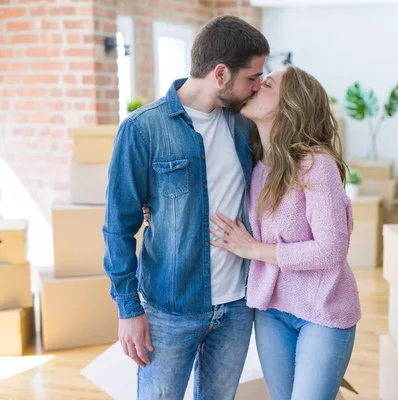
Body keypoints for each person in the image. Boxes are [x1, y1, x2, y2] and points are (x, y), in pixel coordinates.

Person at [102, 15, 269, 399]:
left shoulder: (244, 125)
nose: (258, 86)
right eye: (252, 77)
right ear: (221, 73)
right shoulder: (143, 129)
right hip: (170, 310)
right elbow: (118, 226)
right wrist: (128, 309)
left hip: (237, 306)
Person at [210, 66, 362, 400]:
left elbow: (331, 249)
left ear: (290, 104)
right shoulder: (255, 163)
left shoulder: (315, 164)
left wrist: (255, 250)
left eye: (266, 85)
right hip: (272, 311)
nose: (254, 88)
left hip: (322, 311)